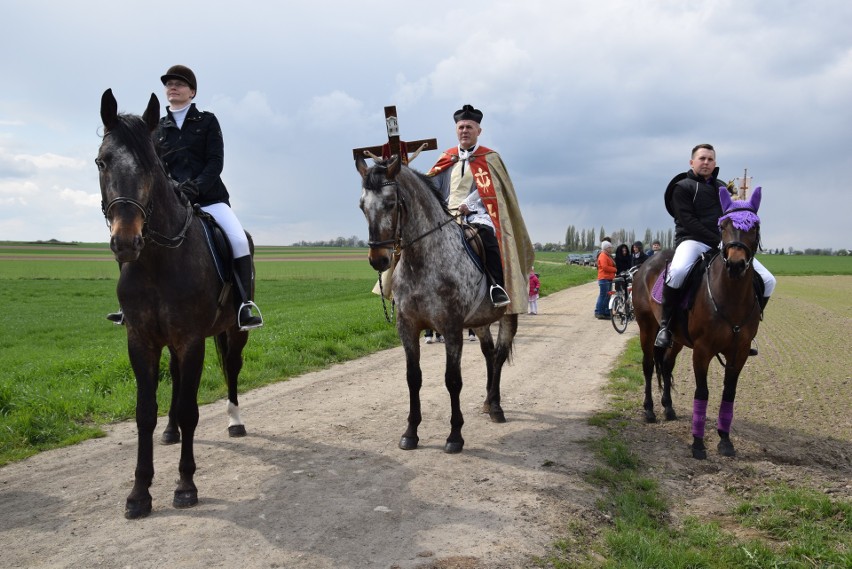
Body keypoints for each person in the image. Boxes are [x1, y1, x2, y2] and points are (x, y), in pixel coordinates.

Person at [155, 65, 262, 330]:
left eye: (179, 83)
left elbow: (215, 162)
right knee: (138, 237)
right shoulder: (157, 128)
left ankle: (243, 305)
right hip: (172, 201)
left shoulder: (207, 121)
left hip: (211, 198)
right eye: (169, 83)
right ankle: (129, 306)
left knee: (238, 240)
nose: (172, 87)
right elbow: (157, 167)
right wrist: (173, 188)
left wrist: (195, 187)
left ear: (192, 91)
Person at [656, 143, 775, 354]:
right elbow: (688, 220)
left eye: (710, 159)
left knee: (768, 280)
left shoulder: (722, 188)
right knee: (678, 272)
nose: (706, 162)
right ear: (692, 162)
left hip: (724, 243)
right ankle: (665, 326)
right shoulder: (682, 187)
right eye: (701, 158)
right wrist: (716, 239)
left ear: (715, 163)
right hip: (691, 240)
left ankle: (748, 329)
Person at [427, 105, 535, 313]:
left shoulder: (490, 158)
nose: (464, 131)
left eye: (469, 127)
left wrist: (471, 204)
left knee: (488, 240)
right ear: (456, 130)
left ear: (479, 131)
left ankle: (496, 286)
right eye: (461, 127)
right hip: (447, 216)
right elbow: (433, 187)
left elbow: (495, 192)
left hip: (477, 216)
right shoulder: (447, 158)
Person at [595, 241, 616, 319]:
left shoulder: (608, 255)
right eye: (610, 247)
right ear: (606, 248)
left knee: (607, 296)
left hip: (608, 278)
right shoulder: (603, 255)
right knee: (603, 296)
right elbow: (605, 267)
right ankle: (600, 312)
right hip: (604, 278)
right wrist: (614, 269)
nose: (611, 249)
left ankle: (606, 312)